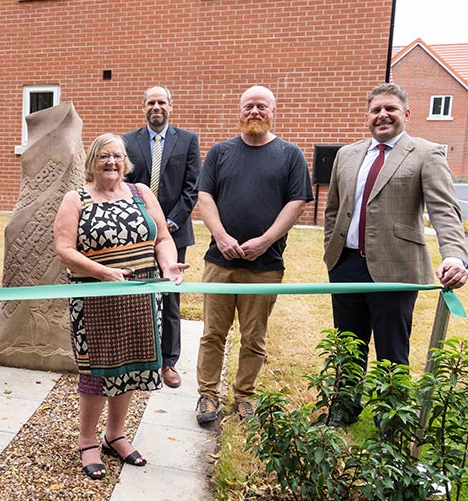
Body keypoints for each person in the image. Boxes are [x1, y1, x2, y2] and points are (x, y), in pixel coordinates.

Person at [323, 82, 468, 426]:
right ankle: (344, 406)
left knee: (391, 348)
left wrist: (455, 256)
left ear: (406, 113)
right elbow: (333, 210)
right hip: (346, 265)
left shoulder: (426, 153)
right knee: (347, 343)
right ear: (368, 116)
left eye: (390, 109)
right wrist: (332, 247)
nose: (382, 115)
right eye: (376, 110)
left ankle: (391, 417)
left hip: (396, 268)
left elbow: (444, 210)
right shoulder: (348, 154)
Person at [54, 133, 187, 480]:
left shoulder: (142, 192)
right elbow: (65, 250)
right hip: (95, 298)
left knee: (130, 365)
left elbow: (163, 239)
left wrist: (168, 265)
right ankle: (87, 441)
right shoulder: (76, 197)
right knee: (98, 371)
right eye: (103, 156)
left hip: (141, 297)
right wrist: (104, 272)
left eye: (117, 156)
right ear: (92, 162)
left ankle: (115, 435)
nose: (111, 162)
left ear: (125, 161)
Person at [195, 85, 313, 424]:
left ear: (273, 111)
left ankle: (244, 395)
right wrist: (220, 236)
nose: (255, 112)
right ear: (240, 111)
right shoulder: (220, 153)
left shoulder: (290, 155)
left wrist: (265, 240)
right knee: (212, 333)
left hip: (264, 265)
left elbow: (296, 203)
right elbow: (205, 197)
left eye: (262, 106)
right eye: (249, 106)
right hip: (220, 263)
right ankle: (207, 395)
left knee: (254, 337)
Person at [123, 85, 201, 389]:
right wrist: (142, 223)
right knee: (134, 294)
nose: (157, 107)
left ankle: (168, 361)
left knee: (170, 298)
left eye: (162, 102)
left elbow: (191, 188)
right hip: (136, 233)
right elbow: (123, 183)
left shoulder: (188, 140)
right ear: (143, 107)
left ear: (171, 106)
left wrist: (168, 224)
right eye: (151, 102)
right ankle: (137, 354)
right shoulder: (128, 141)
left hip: (175, 231)